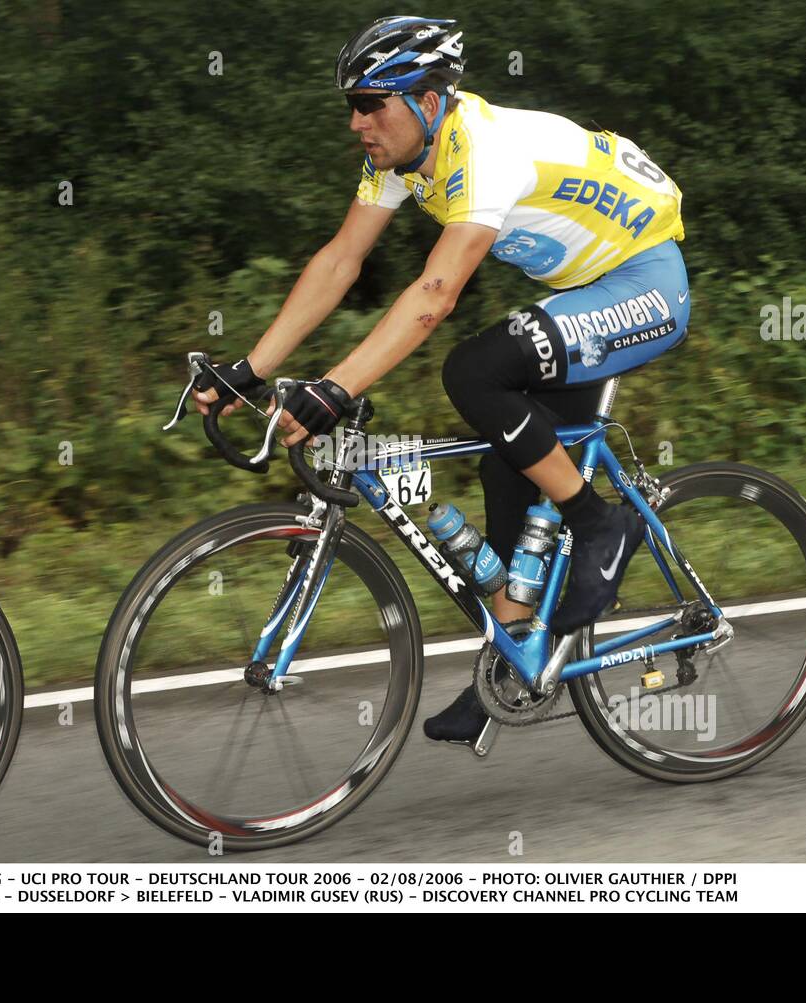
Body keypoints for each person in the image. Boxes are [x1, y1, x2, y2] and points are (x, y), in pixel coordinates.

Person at [192, 16, 690, 743]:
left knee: (476, 370)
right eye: (351, 107)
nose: (358, 122)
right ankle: (517, 659)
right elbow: (339, 261)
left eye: (373, 104)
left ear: (429, 101)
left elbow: (433, 298)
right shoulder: (399, 159)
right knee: (505, 462)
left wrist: (333, 389)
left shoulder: (486, 150)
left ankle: (599, 523)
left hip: (645, 278)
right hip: (585, 288)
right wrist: (250, 368)